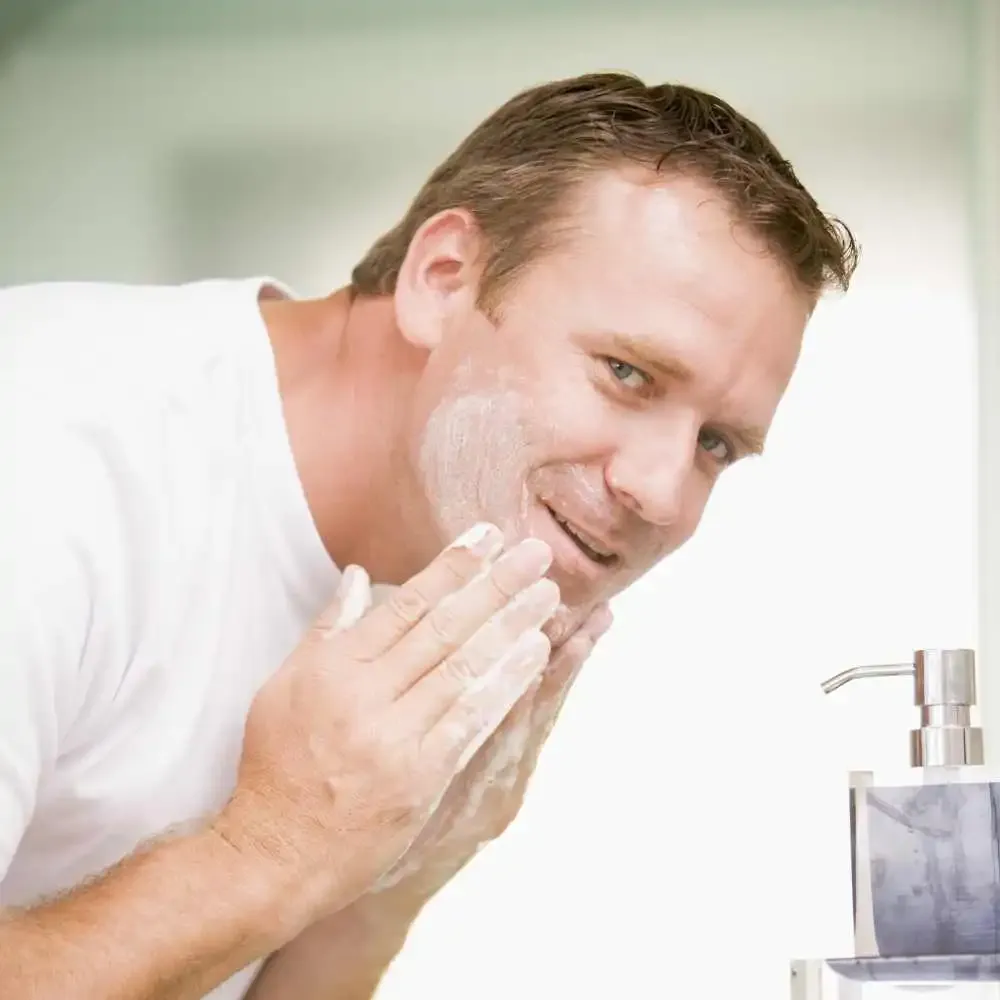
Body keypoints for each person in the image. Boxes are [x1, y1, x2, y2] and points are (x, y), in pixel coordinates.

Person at [0, 71, 858, 999]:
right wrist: (273, 850)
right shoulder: (45, 446)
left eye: (716, 444)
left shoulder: (463, 542)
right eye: (627, 372)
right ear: (443, 279)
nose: (660, 491)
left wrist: (380, 887)